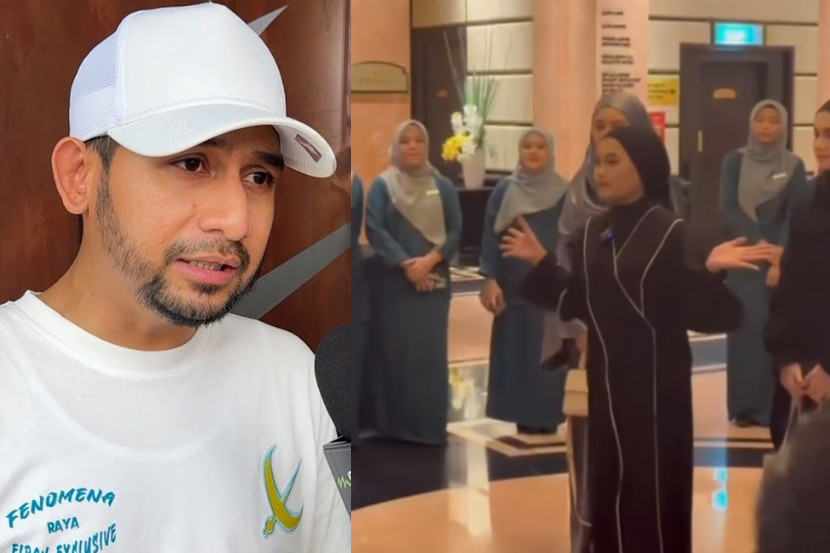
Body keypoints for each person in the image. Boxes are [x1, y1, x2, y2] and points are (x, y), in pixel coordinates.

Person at [0, 5, 348, 552]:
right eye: (191, 164)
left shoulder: (294, 376)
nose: (236, 220)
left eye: (259, 176)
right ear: (79, 177)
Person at [501, 125, 772, 552]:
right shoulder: (592, 234)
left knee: (652, 500)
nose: (601, 171)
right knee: (608, 491)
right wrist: (541, 264)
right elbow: (580, 301)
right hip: (607, 391)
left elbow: (707, 314)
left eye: (613, 161)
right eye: (598, 162)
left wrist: (708, 273)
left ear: (643, 167)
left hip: (658, 395)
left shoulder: (672, 232)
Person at [555, 91, 669, 552]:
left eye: (617, 127)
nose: (606, 136)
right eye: (599, 126)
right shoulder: (577, 192)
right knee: (590, 453)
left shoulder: (659, 195)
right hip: (590, 344)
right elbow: (566, 270)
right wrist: (580, 331)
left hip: (644, 349)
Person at [365, 120, 462, 445]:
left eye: (418, 140)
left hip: (434, 284)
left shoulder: (443, 186)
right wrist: (408, 266)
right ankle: (397, 428)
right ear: (396, 146)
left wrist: (429, 262)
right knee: (398, 357)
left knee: (429, 357)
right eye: (405, 140)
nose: (412, 146)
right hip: (395, 288)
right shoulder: (383, 186)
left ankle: (429, 428)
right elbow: (375, 230)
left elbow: (456, 231)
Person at [720, 100, 809, 428]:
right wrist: (756, 242)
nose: (766, 126)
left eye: (773, 120)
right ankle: (744, 407)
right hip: (744, 257)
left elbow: (796, 213)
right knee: (744, 331)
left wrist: (780, 257)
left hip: (779, 260)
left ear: (784, 126)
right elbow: (728, 206)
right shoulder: (734, 161)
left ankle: (771, 408)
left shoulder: (795, 165)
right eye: (761, 119)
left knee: (773, 333)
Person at [479, 128, 569, 435]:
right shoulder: (505, 190)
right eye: (527, 146)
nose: (533, 151)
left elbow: (570, 237)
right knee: (518, 355)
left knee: (547, 352)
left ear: (550, 152)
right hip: (513, 288)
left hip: (549, 287)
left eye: (540, 146)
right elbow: (490, 237)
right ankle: (521, 415)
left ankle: (547, 415)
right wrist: (490, 278)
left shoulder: (563, 191)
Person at [765, 99, 830, 448]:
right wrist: (786, 358)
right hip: (803, 370)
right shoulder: (806, 201)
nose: (819, 145)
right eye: (816, 134)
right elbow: (790, 286)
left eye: (829, 135)